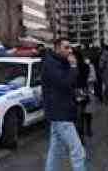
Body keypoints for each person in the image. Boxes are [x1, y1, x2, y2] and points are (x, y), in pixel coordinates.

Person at [42, 38, 86, 171]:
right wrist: (73, 66)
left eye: (70, 47)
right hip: (60, 113)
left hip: (60, 112)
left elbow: (75, 79)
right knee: (78, 151)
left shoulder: (60, 62)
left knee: (56, 150)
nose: (70, 50)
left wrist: (75, 65)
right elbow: (65, 83)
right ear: (57, 48)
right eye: (66, 47)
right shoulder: (51, 64)